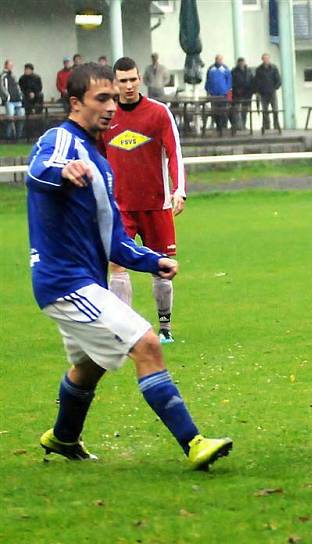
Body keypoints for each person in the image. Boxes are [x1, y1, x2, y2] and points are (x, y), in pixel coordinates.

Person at [26, 62, 231, 469]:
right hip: (65, 282)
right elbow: (36, 172)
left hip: (83, 280)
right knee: (147, 344)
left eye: (113, 99)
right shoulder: (61, 140)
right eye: (101, 98)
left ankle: (64, 437)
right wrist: (62, 172)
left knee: (89, 366)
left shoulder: (100, 162)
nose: (110, 107)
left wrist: (152, 260)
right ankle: (193, 443)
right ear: (75, 103)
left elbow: (114, 240)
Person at [103, 56, 186, 344]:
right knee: (117, 266)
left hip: (156, 204)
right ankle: (125, 332)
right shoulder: (106, 116)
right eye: (122, 81)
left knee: (162, 268)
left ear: (140, 79)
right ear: (115, 83)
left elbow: (174, 152)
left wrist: (178, 189)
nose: (128, 85)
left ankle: (165, 328)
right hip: (119, 208)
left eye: (132, 79)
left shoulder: (159, 113)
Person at [253, 53, 281, 132]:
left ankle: (276, 125)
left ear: (269, 59)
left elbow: (278, 79)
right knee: (264, 110)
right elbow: (256, 81)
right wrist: (257, 91)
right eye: (264, 58)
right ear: (262, 59)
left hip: (272, 92)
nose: (266, 60)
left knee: (275, 109)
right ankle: (266, 125)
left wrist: (275, 88)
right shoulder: (259, 69)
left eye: (267, 58)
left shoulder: (274, 68)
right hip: (263, 93)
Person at [205, 54, 232, 134]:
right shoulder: (211, 69)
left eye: (220, 59)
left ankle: (224, 126)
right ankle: (217, 126)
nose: (219, 61)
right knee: (215, 111)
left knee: (223, 111)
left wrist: (227, 92)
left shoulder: (225, 69)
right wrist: (208, 91)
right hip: (214, 95)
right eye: (217, 59)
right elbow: (208, 81)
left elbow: (229, 81)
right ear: (215, 59)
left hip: (223, 95)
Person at [1, 59, 25, 139]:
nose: (11, 67)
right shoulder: (3, 76)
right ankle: (8, 136)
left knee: (21, 117)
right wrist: (8, 97)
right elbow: (2, 87)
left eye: (12, 65)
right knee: (10, 119)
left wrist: (20, 96)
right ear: (6, 65)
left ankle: (19, 136)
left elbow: (17, 87)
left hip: (18, 100)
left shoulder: (13, 76)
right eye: (10, 65)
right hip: (10, 101)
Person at [19, 63, 44, 138]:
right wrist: (28, 93)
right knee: (24, 99)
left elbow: (40, 88)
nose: (26, 71)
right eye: (25, 69)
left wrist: (34, 93)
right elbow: (22, 89)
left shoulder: (37, 78)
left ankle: (37, 110)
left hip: (36, 98)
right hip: (26, 98)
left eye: (28, 69)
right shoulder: (22, 78)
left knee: (40, 95)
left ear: (31, 70)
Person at [231, 57, 253, 130]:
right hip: (237, 94)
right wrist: (236, 89)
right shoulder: (234, 71)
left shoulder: (249, 71)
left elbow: (252, 81)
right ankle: (237, 125)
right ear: (238, 63)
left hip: (247, 94)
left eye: (243, 62)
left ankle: (243, 124)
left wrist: (252, 91)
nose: (241, 64)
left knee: (245, 110)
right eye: (240, 63)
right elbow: (231, 82)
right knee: (236, 110)